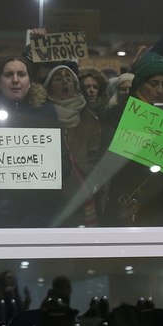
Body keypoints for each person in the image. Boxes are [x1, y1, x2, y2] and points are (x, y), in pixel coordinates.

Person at [101, 51, 163, 226]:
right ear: (140, 84)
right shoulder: (118, 113)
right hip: (127, 198)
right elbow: (107, 156)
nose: (160, 90)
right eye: (154, 84)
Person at [0, 57, 64, 227]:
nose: (15, 80)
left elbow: (62, 160)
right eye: (9, 75)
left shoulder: (46, 112)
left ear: (30, 81)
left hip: (37, 213)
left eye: (22, 74)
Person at [44, 65, 101, 226]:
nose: (64, 82)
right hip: (48, 191)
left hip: (79, 191)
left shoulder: (89, 118)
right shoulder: (41, 115)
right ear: (49, 87)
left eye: (69, 78)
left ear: (76, 86)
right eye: (58, 78)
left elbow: (94, 155)